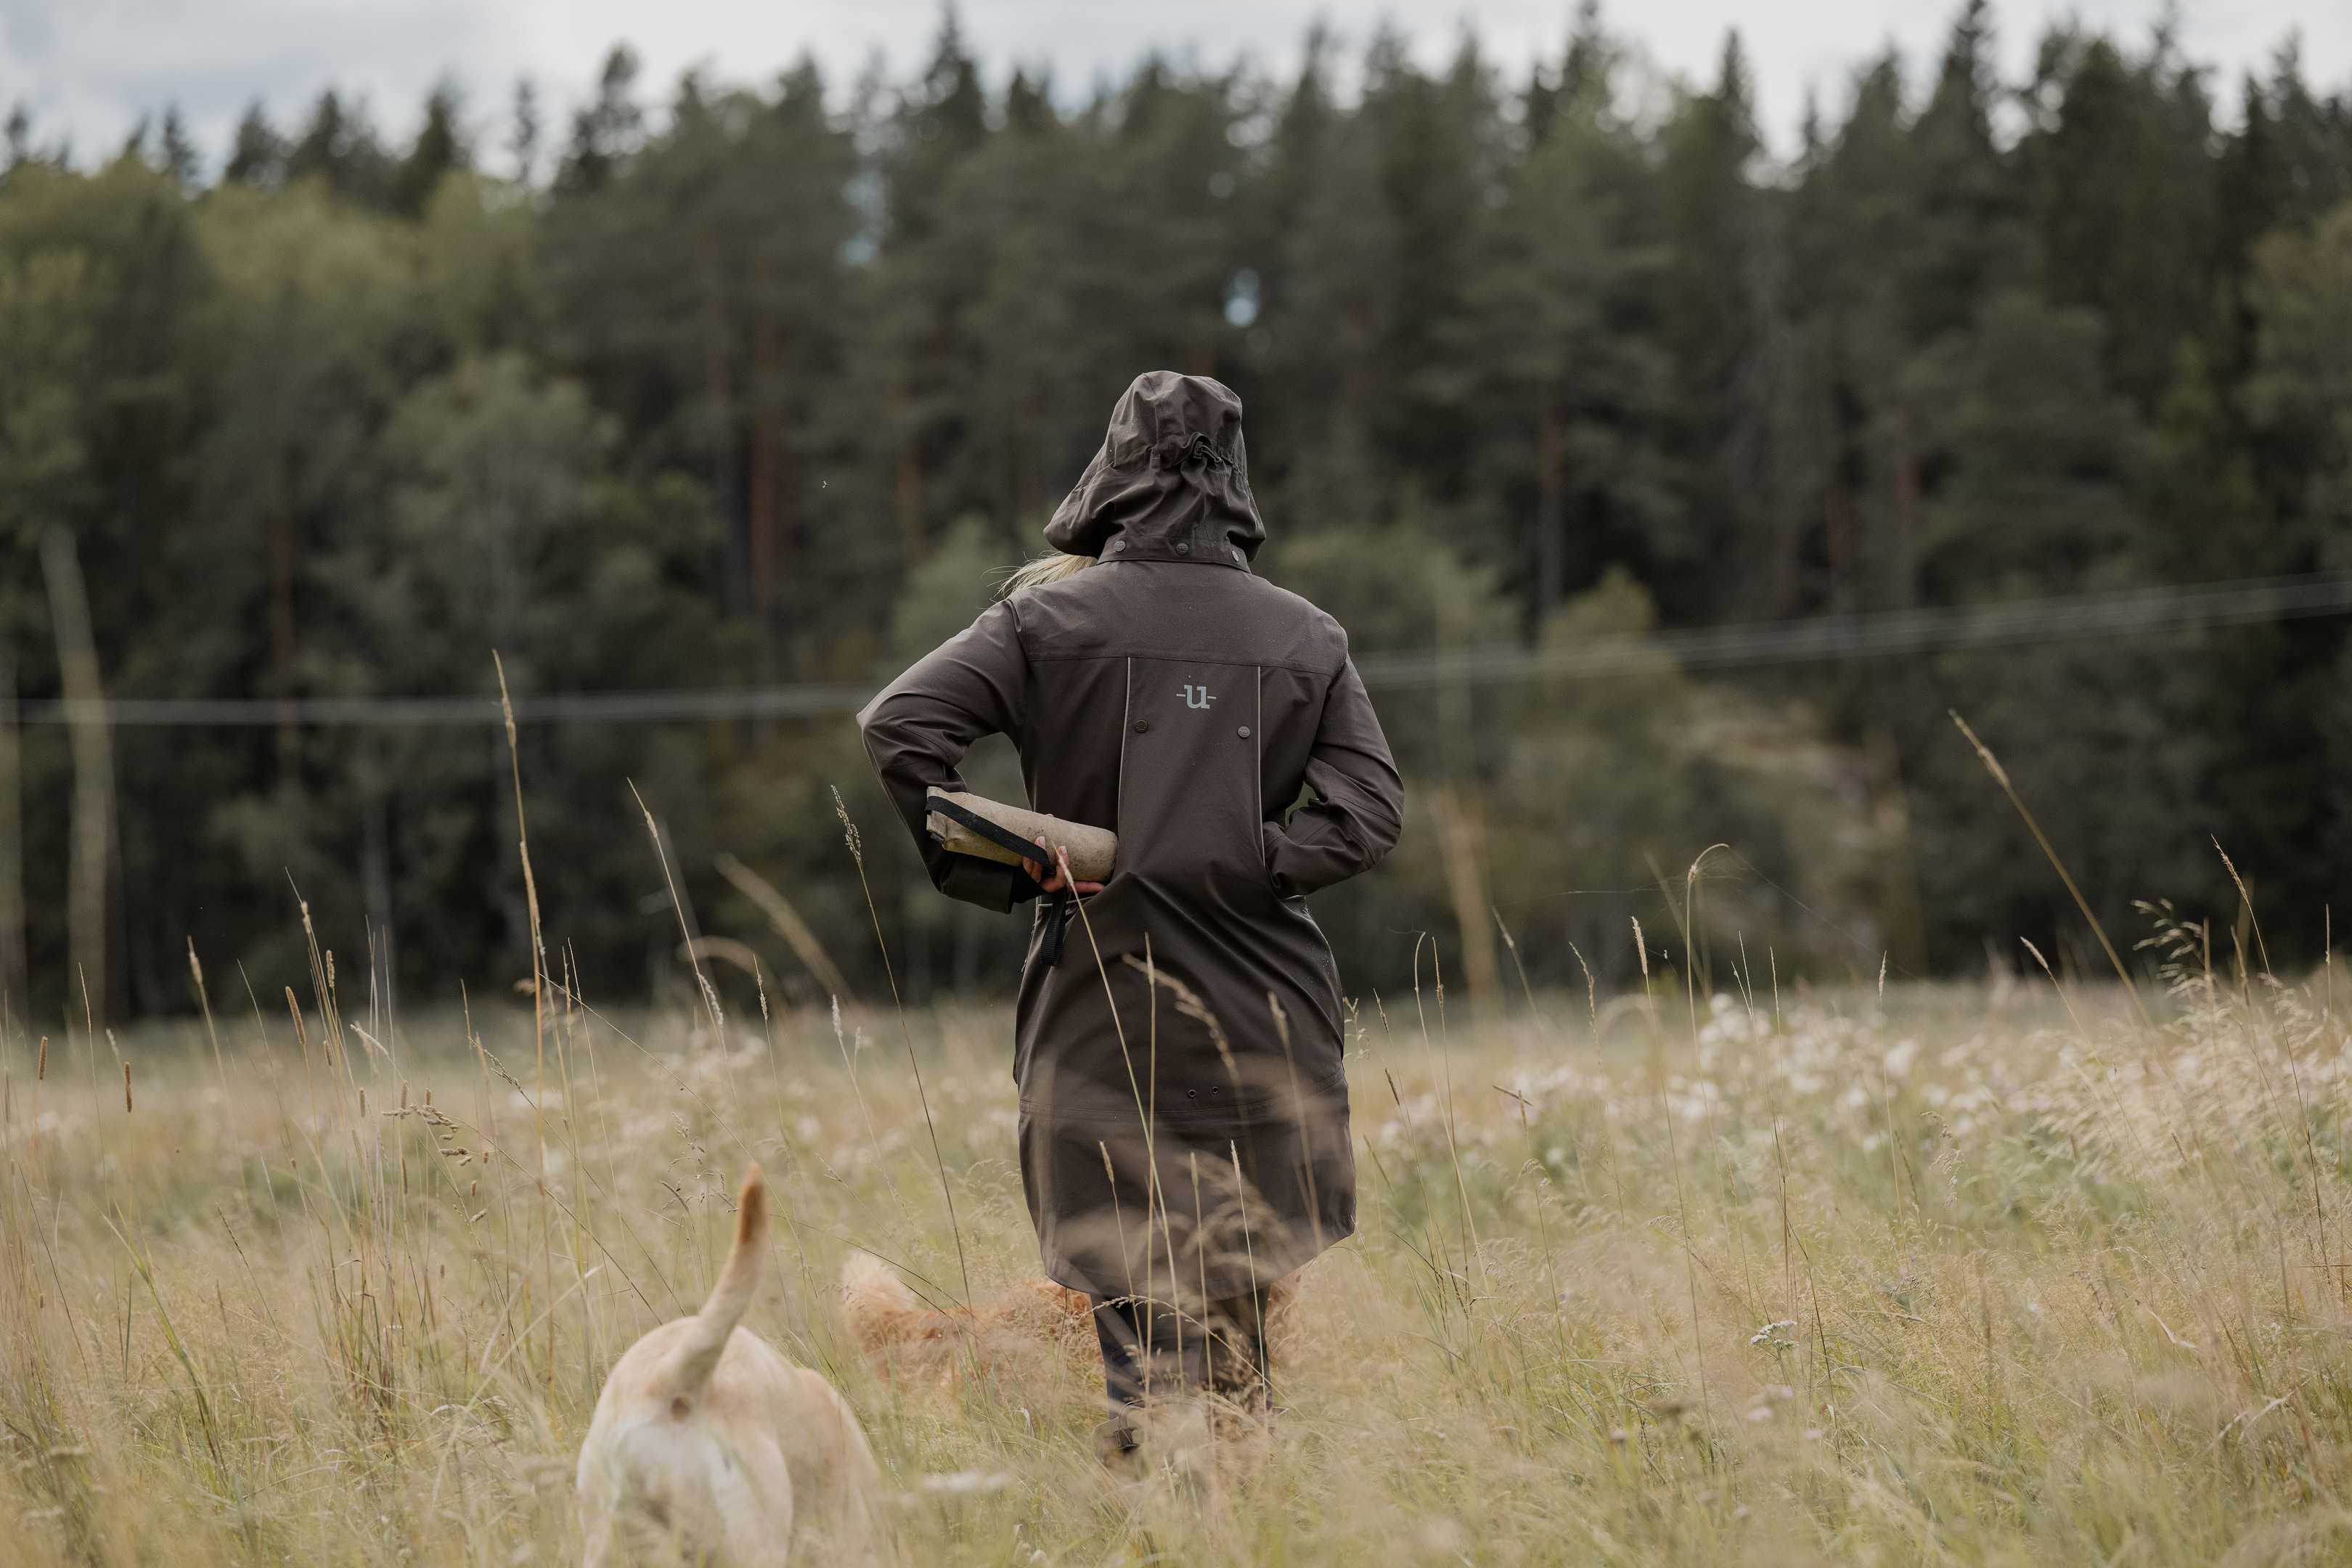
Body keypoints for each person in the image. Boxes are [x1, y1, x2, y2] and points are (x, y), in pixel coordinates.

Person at [858, 371, 1403, 1455]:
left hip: (1098, 1013)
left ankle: (1157, 1497)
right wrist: (1244, 858)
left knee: (1139, 1353)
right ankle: (1220, 1506)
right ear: (1235, 479)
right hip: (1266, 1019)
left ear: (1113, 468)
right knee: (1242, 1351)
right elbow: (1368, 814)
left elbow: (900, 725)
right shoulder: (1306, 636)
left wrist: (1025, 866)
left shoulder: (1043, 617)